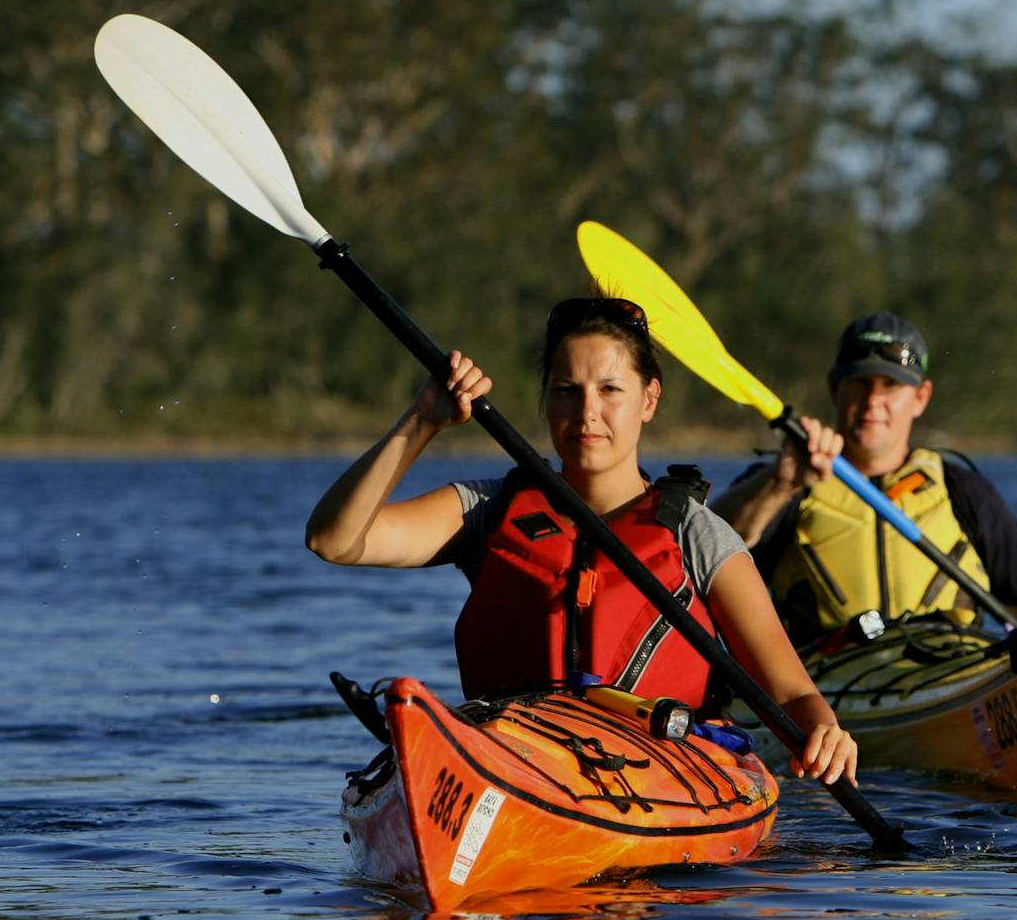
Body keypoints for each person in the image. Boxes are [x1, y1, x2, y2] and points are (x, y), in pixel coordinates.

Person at [304, 295, 858, 785]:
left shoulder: (697, 534)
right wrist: (422, 420)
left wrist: (825, 731)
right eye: (566, 391)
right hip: (514, 764)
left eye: (610, 390)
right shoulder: (488, 510)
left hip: (657, 777)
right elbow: (335, 540)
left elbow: (789, 694)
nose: (586, 412)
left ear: (649, 399)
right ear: (545, 401)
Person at [711, 310, 1017, 706]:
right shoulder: (784, 480)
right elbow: (701, 557)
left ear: (920, 397)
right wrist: (781, 484)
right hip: (830, 687)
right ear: (836, 389)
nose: (873, 401)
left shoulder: (961, 490)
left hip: (952, 676)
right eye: (860, 383)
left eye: (890, 386)